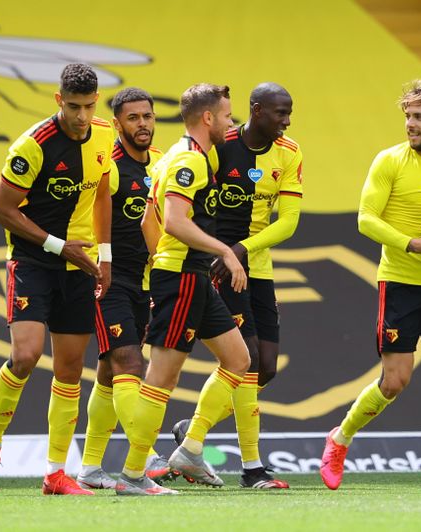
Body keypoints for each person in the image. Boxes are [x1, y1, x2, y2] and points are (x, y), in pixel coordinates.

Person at [320, 80, 421, 494]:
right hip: (399, 284)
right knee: (395, 381)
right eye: (407, 117)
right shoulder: (389, 162)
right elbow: (366, 218)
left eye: (418, 117)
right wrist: (414, 244)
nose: (410, 125)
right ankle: (339, 440)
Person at [0, 63, 114, 496]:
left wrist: (105, 257)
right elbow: (3, 211)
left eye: (89, 106)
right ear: (58, 101)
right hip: (34, 263)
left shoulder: (104, 136)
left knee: (70, 369)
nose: (82, 116)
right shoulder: (32, 146)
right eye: (74, 106)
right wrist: (57, 245)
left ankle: (55, 472)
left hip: (80, 265)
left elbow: (103, 193)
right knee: (26, 356)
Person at [114, 83, 252, 496]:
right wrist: (223, 252)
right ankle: (133, 475)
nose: (232, 123)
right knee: (161, 378)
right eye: (228, 116)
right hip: (182, 278)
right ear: (208, 118)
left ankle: (189, 450)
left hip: (189, 276)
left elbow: (147, 223)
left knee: (238, 359)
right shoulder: (188, 161)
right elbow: (173, 220)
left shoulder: (179, 156)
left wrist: (165, 262)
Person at [172, 82, 303, 489]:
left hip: (254, 263)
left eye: (289, 113)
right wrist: (221, 254)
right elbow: (189, 200)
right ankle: (252, 468)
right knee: (243, 362)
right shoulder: (219, 144)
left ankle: (192, 431)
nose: (286, 121)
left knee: (264, 367)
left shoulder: (290, 152)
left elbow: (289, 220)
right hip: (219, 266)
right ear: (257, 110)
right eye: (279, 113)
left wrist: (244, 249)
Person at [76, 87, 175, 490]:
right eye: (133, 118)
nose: (142, 125)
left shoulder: (161, 164)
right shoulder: (109, 167)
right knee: (130, 365)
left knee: (106, 374)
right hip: (109, 281)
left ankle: (89, 468)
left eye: (147, 117)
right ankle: (145, 458)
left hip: (148, 283)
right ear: (117, 124)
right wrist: (101, 266)